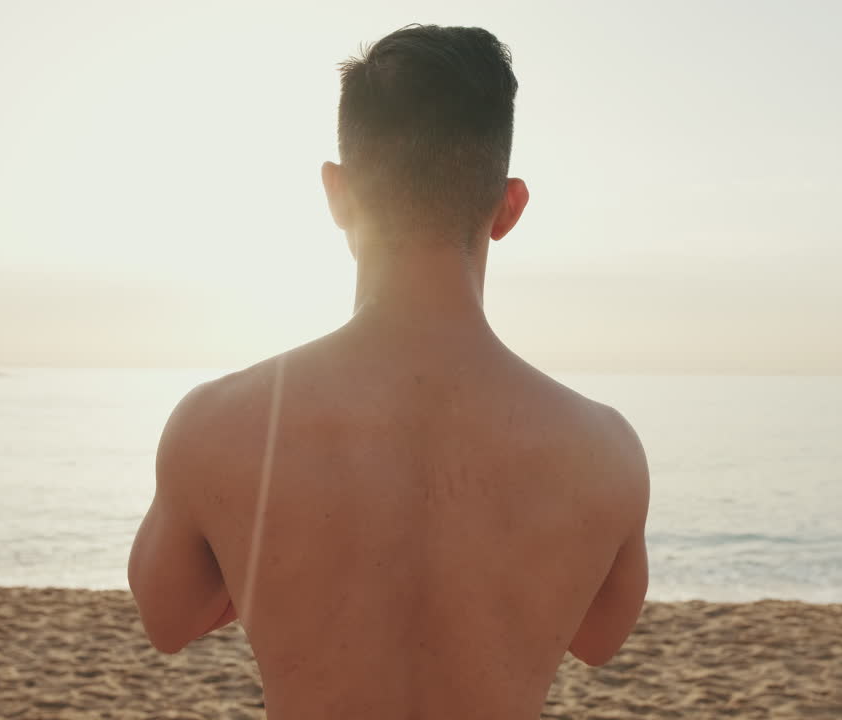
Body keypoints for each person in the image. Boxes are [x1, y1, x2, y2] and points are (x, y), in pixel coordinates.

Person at [128, 24, 650, 719]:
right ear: (510, 206)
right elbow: (598, 637)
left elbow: (169, 622)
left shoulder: (216, 423)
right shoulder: (605, 449)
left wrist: (279, 576)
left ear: (337, 195)